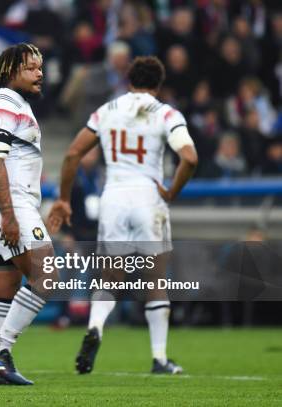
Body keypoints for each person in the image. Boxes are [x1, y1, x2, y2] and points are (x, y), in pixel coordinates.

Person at [47, 56, 199, 375]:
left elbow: (74, 152)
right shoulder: (166, 113)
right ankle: (159, 358)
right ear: (158, 85)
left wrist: (63, 199)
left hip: (113, 196)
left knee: (110, 277)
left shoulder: (107, 111)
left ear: (129, 80)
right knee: (155, 279)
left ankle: (96, 328)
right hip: (148, 195)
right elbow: (190, 157)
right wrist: (171, 192)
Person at [0, 43, 55, 385]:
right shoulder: (2, 100)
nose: (40, 74)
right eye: (32, 68)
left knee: (4, 284)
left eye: (40, 68)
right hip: (4, 202)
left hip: (4, 201)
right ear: (10, 71)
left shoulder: (15, 103)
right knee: (45, 275)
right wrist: (8, 213)